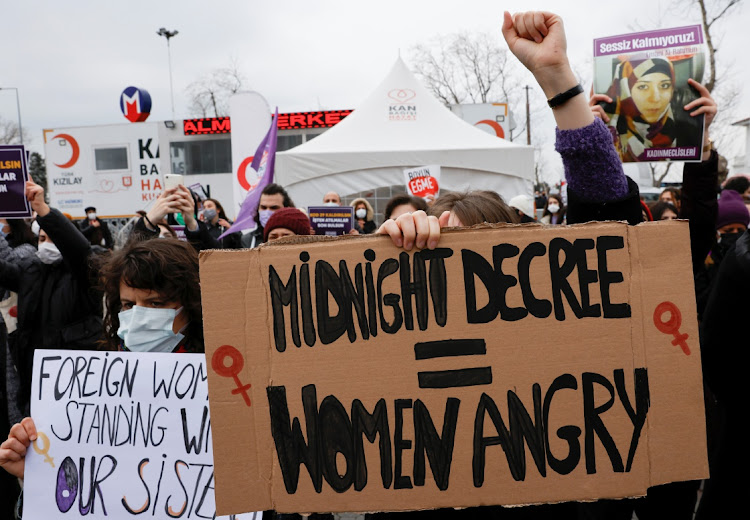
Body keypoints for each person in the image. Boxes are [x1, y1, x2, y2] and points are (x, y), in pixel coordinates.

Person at [0, 180, 102, 419]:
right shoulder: (30, 270)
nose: (47, 244)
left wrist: (43, 210)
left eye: (53, 239)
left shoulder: (86, 271)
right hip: (36, 383)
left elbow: (79, 252)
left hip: (78, 384)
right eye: (42, 238)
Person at [595, 56, 700, 162]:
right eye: (643, 87)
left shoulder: (686, 132)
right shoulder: (606, 136)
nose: (655, 98)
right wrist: (587, 132)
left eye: (664, 85)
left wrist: (703, 134)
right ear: (626, 91)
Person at [240, 183, 295, 248]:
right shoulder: (248, 240)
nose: (267, 212)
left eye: (274, 208)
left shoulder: (296, 235)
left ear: (286, 209)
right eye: (263, 207)